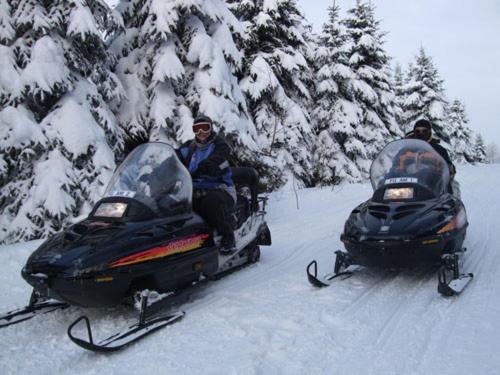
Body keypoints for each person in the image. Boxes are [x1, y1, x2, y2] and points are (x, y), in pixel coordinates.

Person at [177, 115, 237, 254]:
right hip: (192, 190)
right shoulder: (189, 147)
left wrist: (205, 168)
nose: (201, 132)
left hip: (221, 189)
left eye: (205, 128)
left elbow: (218, 158)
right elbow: (174, 157)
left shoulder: (219, 146)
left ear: (211, 129)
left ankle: (228, 237)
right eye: (197, 129)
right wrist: (156, 169)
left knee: (212, 201)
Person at [408, 119, 459, 196]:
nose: (420, 133)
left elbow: (448, 168)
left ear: (429, 132)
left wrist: (449, 170)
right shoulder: (406, 150)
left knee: (453, 188)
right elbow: (395, 167)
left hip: (433, 186)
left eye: (424, 131)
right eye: (417, 131)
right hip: (409, 186)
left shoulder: (439, 150)